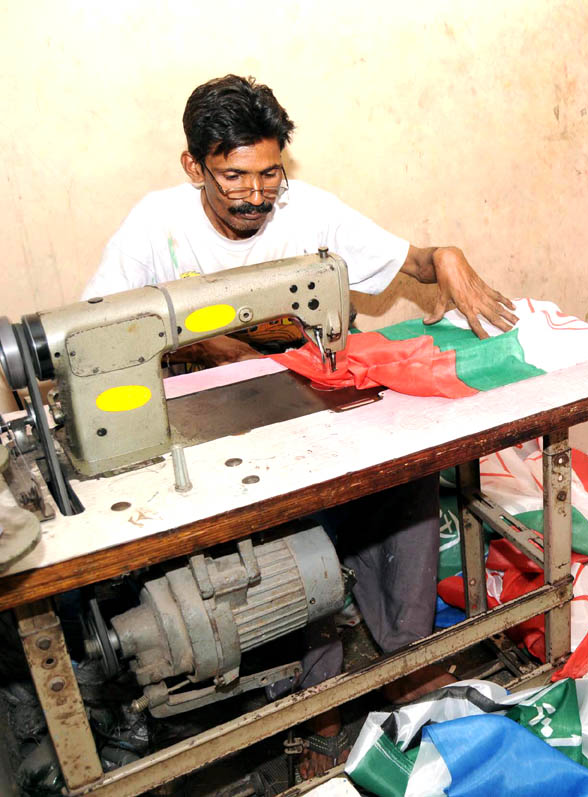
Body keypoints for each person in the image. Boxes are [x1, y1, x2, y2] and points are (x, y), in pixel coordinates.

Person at [83, 74, 516, 778]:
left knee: (408, 471)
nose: (256, 194)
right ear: (194, 166)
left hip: (297, 397)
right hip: (203, 426)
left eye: (270, 174)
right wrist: (201, 343)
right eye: (234, 176)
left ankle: (405, 657)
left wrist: (448, 259)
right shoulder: (152, 228)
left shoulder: (305, 210)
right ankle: (316, 700)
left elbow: (415, 261)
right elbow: (98, 336)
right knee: (287, 528)